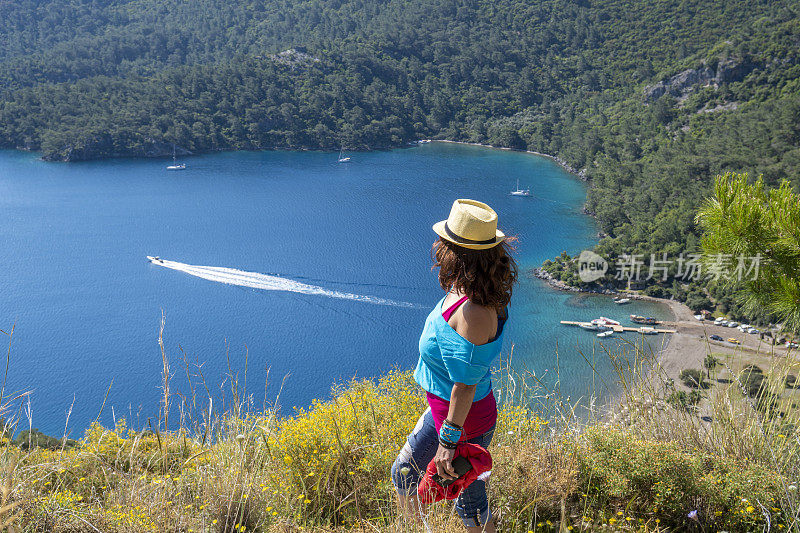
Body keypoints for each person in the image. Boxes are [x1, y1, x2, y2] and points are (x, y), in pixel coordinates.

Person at [391, 199, 518, 532]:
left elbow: (465, 384)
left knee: (466, 503)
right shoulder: (465, 290)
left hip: (463, 420)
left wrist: (448, 443)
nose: (437, 248)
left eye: (444, 243)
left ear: (455, 253)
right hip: (449, 412)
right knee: (417, 480)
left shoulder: (475, 312)